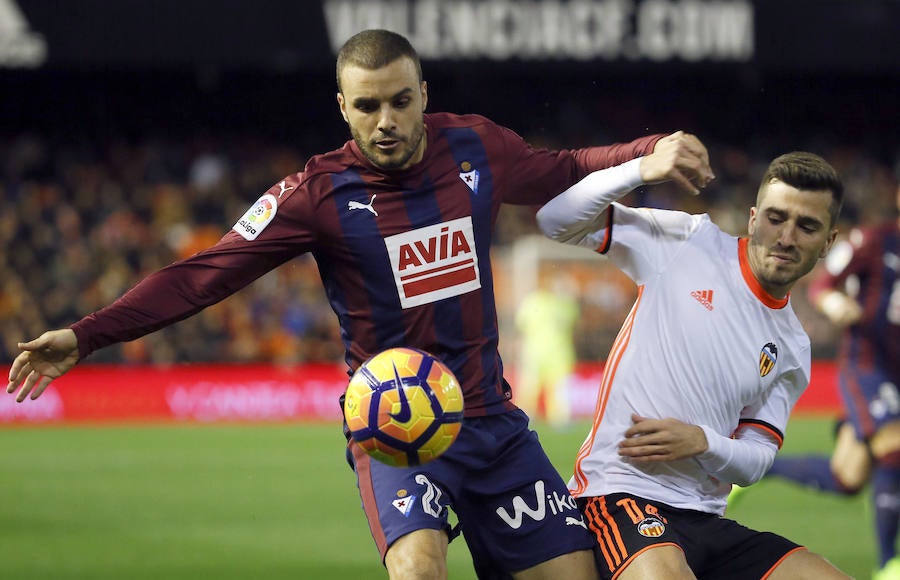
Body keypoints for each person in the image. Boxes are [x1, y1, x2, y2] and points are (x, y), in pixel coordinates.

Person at [5, 29, 714, 579]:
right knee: (416, 567)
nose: (385, 120)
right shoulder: (314, 195)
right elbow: (205, 275)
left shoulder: (477, 149)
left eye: (400, 100)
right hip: (397, 431)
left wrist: (651, 148)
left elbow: (563, 169)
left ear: (423, 95)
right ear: (343, 107)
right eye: (367, 105)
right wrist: (87, 334)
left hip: (493, 426)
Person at [535, 150, 852, 578]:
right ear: (754, 218)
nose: (787, 237)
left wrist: (702, 441)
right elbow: (555, 218)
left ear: (828, 241)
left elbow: (757, 459)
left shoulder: (793, 346)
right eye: (776, 218)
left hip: (705, 520)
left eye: (807, 226)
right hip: (619, 494)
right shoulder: (686, 243)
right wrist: (639, 169)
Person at [737, 179, 900, 579]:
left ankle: (764, 470)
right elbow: (826, 281)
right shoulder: (873, 240)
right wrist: (834, 300)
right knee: (894, 445)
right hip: (869, 365)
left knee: (849, 477)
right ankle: (887, 565)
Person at [515, 274, 580, 428]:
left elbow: (521, 325)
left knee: (544, 388)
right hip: (552, 353)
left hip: (539, 352)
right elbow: (572, 322)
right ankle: (559, 420)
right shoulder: (563, 303)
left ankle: (527, 418)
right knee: (538, 388)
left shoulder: (532, 301)